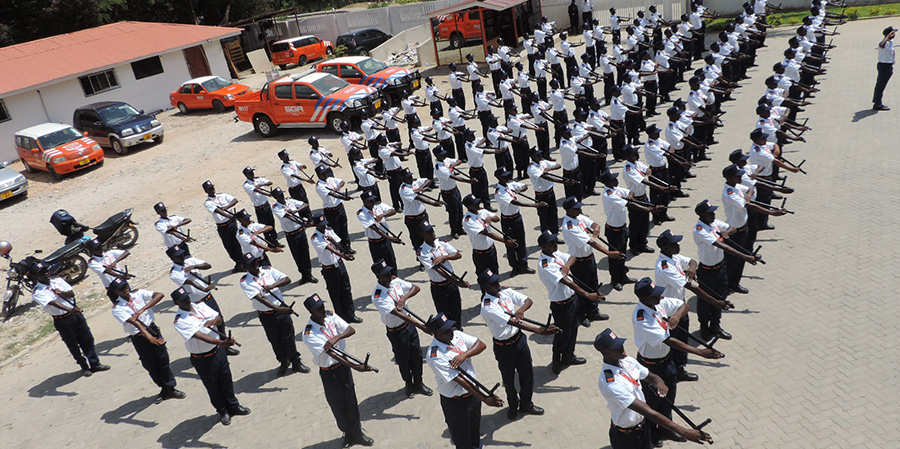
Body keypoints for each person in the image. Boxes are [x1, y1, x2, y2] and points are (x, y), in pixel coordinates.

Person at [631, 277, 723, 446]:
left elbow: (684, 305)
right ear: (644, 299)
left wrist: (677, 316)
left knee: (669, 397)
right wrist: (700, 352)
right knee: (652, 402)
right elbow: (668, 341)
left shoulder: (657, 303)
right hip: (650, 366)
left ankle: (667, 430)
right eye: (655, 295)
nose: (660, 296)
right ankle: (652, 433)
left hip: (667, 361)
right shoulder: (642, 318)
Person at [594, 328, 714, 448]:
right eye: (616, 347)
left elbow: (651, 376)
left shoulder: (627, 361)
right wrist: (684, 431)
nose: (622, 347)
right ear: (605, 352)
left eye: (620, 344)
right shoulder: (611, 383)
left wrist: (659, 383)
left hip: (643, 428)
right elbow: (648, 412)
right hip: (626, 437)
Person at [478, 269, 556, 420]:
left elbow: (528, 301)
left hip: (519, 340)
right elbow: (512, 322)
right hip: (504, 347)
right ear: (486, 288)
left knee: (527, 373)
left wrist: (520, 310)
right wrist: (539, 331)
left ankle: (526, 403)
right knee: (508, 380)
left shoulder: (504, 292)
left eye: (497, 280)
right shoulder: (487, 306)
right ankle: (513, 405)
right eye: (493, 283)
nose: (497, 284)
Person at [654, 230, 729, 382]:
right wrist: (715, 301)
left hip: (680, 308)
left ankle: (680, 369)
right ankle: (672, 373)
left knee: (682, 339)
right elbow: (692, 287)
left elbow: (692, 261)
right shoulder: (665, 266)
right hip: (670, 313)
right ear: (666, 247)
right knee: (675, 344)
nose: (678, 245)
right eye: (675, 243)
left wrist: (692, 268)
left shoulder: (673, 257)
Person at [301, 294, 375, 447]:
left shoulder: (331, 316)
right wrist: (355, 366)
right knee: (337, 404)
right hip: (329, 372)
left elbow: (350, 329)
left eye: (322, 306)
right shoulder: (309, 334)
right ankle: (347, 434)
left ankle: (357, 432)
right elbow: (331, 353)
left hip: (343, 367)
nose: (322, 310)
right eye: (318, 308)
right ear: (311, 312)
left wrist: (335, 338)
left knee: (350, 400)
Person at [171, 287, 248, 426]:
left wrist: (213, 322)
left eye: (187, 298)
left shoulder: (200, 305)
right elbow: (199, 335)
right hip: (203, 358)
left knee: (226, 380)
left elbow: (218, 318)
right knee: (213, 386)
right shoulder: (180, 320)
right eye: (183, 300)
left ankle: (234, 406)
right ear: (177, 303)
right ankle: (223, 411)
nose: (187, 301)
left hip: (218, 351)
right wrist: (222, 342)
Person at [425, 313, 504, 449]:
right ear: (435, 333)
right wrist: (485, 398)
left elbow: (481, 344)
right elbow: (459, 380)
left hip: (473, 395)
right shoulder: (435, 355)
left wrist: (464, 355)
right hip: (456, 403)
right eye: (446, 329)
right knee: (462, 439)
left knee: (475, 430)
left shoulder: (455, 335)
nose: (451, 330)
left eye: (450, 327)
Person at [108, 278, 184, 402]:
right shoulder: (117, 308)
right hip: (140, 338)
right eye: (121, 289)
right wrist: (149, 338)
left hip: (153, 329)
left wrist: (142, 309)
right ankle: (164, 388)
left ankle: (170, 388)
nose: (125, 290)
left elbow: (159, 295)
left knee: (163, 360)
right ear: (116, 292)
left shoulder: (138, 294)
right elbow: (134, 322)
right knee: (150, 365)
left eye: (125, 286)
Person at [536, 231, 601, 374]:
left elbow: (572, 257)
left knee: (573, 330)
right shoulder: (545, 264)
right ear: (543, 247)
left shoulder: (556, 254)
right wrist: (586, 294)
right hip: (561, 305)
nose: (555, 244)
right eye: (551, 243)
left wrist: (567, 266)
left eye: (555, 241)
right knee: (562, 334)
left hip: (572, 300)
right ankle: (556, 360)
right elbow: (565, 281)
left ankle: (568, 356)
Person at [693, 200, 758, 340]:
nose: (714, 214)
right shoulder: (700, 230)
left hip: (720, 268)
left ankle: (715, 326)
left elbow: (732, 228)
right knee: (705, 301)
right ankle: (704, 327)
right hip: (707, 271)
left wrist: (726, 232)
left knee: (721, 297)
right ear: (702, 215)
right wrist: (746, 256)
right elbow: (724, 247)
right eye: (710, 212)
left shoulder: (714, 222)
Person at [238, 253, 311, 376]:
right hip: (267, 315)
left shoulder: (267, 270)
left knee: (288, 337)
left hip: (282, 310)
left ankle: (296, 361)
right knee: (275, 339)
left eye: (255, 262)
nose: (255, 265)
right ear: (245, 267)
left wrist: (272, 286)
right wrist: (279, 309)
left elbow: (287, 279)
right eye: (251, 264)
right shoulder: (245, 281)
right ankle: (283, 361)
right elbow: (260, 299)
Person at [31, 261, 109, 377]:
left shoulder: (57, 280)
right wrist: (69, 309)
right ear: (36, 276)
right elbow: (52, 303)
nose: (46, 274)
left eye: (46, 271)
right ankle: (84, 366)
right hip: (62, 320)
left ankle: (95, 363)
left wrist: (61, 292)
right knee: (72, 344)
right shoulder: (37, 291)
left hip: (75, 315)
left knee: (87, 338)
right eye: (42, 273)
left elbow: (71, 293)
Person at [370, 260, 434, 398]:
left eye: (389, 272)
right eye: (386, 274)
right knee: (403, 359)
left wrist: (404, 298)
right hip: (397, 332)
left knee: (416, 355)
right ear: (378, 277)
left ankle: (419, 382)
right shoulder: (378, 296)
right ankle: (409, 384)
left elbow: (415, 288)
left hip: (409, 326)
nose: (390, 275)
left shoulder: (395, 281)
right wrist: (422, 327)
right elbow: (399, 314)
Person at [721, 164, 787, 294]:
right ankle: (726, 286)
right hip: (734, 232)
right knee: (732, 262)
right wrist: (772, 212)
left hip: (743, 228)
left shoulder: (736, 187)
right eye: (737, 175)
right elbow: (750, 206)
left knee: (741, 260)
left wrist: (748, 195)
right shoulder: (729, 193)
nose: (741, 177)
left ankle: (735, 283)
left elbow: (751, 188)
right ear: (729, 178)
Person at [561, 196, 624, 325]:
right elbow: (590, 242)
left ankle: (593, 312)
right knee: (582, 289)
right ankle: (582, 314)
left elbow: (594, 223)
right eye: (576, 208)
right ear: (568, 210)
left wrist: (596, 228)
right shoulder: (569, 226)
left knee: (593, 285)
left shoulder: (578, 218)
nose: (579, 210)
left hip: (589, 259)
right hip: (578, 262)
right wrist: (608, 253)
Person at [166, 245, 239, 356]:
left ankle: (225, 346)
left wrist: (195, 266)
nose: (181, 256)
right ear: (172, 258)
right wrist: (204, 288)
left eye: (181, 253)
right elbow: (189, 281)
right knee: (204, 326)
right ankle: (214, 346)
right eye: (178, 255)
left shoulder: (190, 260)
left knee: (219, 320)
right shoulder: (174, 273)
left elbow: (208, 265)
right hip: (196, 303)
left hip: (208, 298)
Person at [621, 146, 675, 254]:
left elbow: (648, 169)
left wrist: (647, 171)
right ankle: (633, 246)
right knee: (635, 225)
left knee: (645, 223)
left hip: (643, 196)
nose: (637, 154)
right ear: (628, 157)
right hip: (635, 199)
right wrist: (663, 188)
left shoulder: (637, 163)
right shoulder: (629, 169)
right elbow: (645, 181)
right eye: (634, 153)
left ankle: (642, 244)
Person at [310, 213, 361, 324]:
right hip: (330, 269)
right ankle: (341, 319)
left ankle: (350, 314)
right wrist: (344, 256)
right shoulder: (315, 238)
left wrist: (342, 250)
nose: (324, 227)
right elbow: (329, 248)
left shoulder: (329, 230)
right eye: (321, 225)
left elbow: (337, 242)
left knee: (346, 289)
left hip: (339, 263)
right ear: (315, 225)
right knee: (336, 294)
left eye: (324, 224)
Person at [417, 221, 470, 326]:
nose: (432, 232)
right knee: (444, 315)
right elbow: (440, 271)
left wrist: (445, 257)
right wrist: (458, 283)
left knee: (456, 311)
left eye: (432, 229)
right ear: (422, 235)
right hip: (439, 287)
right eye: (428, 232)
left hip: (451, 284)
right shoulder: (422, 252)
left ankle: (458, 331)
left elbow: (458, 255)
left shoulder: (441, 243)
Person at [494, 168, 541, 274]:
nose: (507, 178)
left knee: (521, 241)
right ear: (498, 178)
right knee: (511, 244)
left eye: (507, 175)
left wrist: (519, 189)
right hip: (508, 220)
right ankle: (515, 267)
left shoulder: (510, 185)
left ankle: (523, 265)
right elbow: (514, 203)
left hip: (517, 217)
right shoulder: (499, 192)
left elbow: (525, 186)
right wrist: (534, 205)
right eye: (504, 176)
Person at [599, 169, 640, 290]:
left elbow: (630, 192)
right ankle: (615, 279)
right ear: (607, 182)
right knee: (615, 256)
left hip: (622, 228)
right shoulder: (609, 195)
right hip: (614, 231)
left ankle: (623, 276)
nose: (616, 180)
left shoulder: (615, 190)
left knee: (622, 254)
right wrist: (647, 209)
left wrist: (630, 197)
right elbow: (629, 204)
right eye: (613, 179)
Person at [271, 187, 317, 285]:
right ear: (275, 197)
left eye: (282, 194)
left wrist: (296, 211)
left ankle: (309, 274)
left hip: (300, 231)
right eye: (279, 196)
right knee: (297, 255)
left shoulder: (290, 201)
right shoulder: (276, 207)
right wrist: (302, 222)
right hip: (291, 234)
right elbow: (288, 216)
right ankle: (303, 275)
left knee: (305, 253)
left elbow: (305, 204)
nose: (282, 197)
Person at [462, 194, 514, 278]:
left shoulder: (482, 211)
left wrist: (490, 218)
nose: (478, 205)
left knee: (495, 273)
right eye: (475, 204)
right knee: (485, 278)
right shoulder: (468, 220)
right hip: (481, 255)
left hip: (492, 250)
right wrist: (505, 241)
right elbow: (487, 233)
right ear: (469, 206)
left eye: (478, 202)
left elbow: (497, 218)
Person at [202, 180, 243, 272]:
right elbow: (218, 211)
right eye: (209, 189)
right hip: (223, 226)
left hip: (232, 223)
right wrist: (231, 216)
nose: (212, 190)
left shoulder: (222, 195)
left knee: (237, 242)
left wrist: (227, 207)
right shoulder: (208, 203)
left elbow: (235, 200)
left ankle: (242, 262)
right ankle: (237, 262)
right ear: (206, 191)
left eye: (212, 187)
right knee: (229, 245)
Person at [357, 190, 402, 273]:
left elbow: (393, 211)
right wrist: (390, 238)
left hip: (385, 240)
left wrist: (382, 215)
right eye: (370, 201)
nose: (372, 202)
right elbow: (374, 228)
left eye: (373, 200)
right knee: (379, 266)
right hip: (374, 243)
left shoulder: (379, 206)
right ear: (364, 201)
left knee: (391, 261)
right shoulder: (361, 214)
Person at [315, 165, 356, 254]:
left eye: (326, 172)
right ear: (318, 175)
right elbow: (332, 194)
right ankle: (340, 249)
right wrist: (343, 197)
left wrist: (338, 188)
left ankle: (347, 246)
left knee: (344, 227)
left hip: (339, 207)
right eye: (323, 173)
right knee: (335, 230)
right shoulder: (319, 186)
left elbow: (342, 181)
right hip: (330, 210)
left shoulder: (330, 179)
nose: (325, 174)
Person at [401, 168, 442, 254]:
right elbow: (418, 197)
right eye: (408, 177)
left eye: (411, 176)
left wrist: (421, 188)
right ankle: (421, 260)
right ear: (403, 179)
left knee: (429, 236)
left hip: (423, 216)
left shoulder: (415, 182)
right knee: (417, 240)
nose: (411, 178)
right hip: (413, 219)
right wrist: (433, 203)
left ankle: (433, 254)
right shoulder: (403, 189)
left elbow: (429, 180)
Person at [434, 147, 470, 238]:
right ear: (437, 155)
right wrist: (468, 181)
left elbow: (459, 160)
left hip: (454, 189)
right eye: (442, 154)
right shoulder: (439, 168)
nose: (444, 155)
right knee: (453, 212)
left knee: (460, 209)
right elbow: (454, 177)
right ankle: (453, 231)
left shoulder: (446, 160)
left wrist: (453, 165)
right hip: (447, 193)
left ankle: (459, 228)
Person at [241, 166, 280, 247]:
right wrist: (269, 194)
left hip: (266, 205)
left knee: (271, 222)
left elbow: (270, 182)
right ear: (246, 175)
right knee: (263, 225)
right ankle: (269, 242)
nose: (252, 174)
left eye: (252, 172)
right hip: (259, 208)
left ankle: (275, 240)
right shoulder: (246, 185)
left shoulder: (258, 179)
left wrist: (262, 183)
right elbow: (257, 190)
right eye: (250, 173)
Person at [874, 26, 895, 110]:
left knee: (881, 85)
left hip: (888, 66)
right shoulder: (884, 43)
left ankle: (876, 100)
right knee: (880, 85)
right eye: (892, 33)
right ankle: (877, 104)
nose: (894, 35)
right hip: (884, 66)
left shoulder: (891, 42)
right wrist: (887, 36)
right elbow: (881, 44)